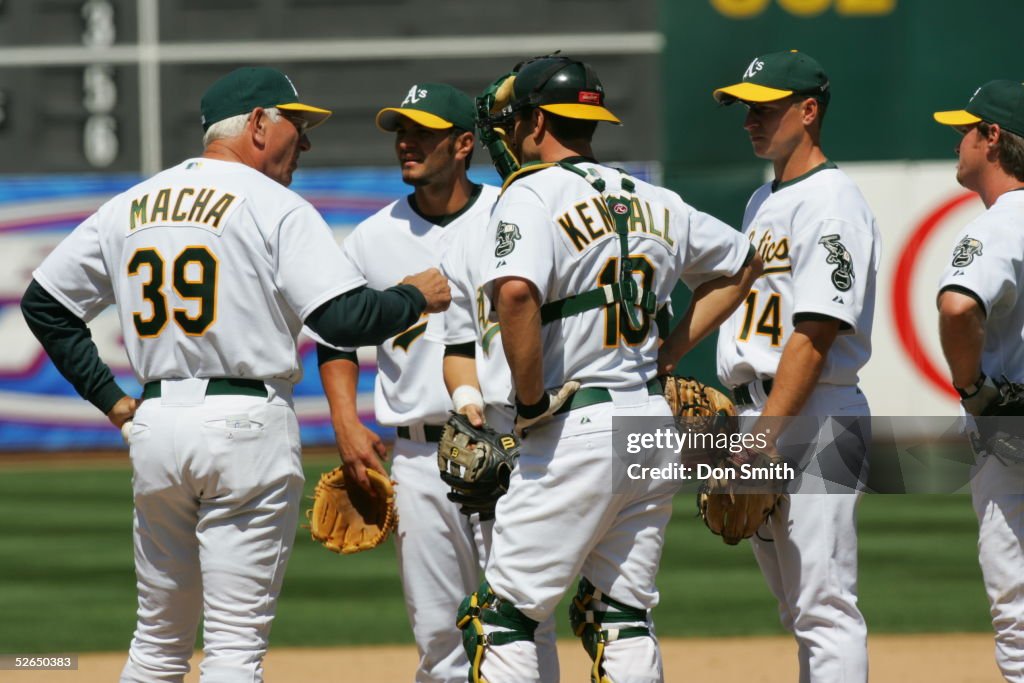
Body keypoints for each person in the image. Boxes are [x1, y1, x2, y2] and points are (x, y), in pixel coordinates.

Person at [20, 66, 450, 683]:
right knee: (233, 650)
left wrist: (114, 403)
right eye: (295, 126)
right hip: (246, 426)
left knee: (157, 644)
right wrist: (413, 296)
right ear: (256, 124)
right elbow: (344, 316)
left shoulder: (132, 204)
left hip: (158, 424)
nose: (305, 143)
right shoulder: (276, 206)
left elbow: (45, 305)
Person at [463, 54, 762, 683]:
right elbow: (742, 265)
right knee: (621, 614)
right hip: (649, 423)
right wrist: (673, 348)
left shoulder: (531, 194)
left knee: (503, 618)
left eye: (515, 120)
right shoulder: (656, 198)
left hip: (575, 428)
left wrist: (528, 400)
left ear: (537, 121)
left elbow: (515, 295)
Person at [315, 82, 560, 683]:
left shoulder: (511, 216)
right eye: (401, 131)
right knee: (436, 636)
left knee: (525, 622)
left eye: (422, 133)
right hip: (420, 457)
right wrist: (347, 424)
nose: (405, 142)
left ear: (464, 144)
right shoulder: (373, 236)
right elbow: (336, 337)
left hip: (510, 443)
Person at [712, 50, 881, 683]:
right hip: (768, 410)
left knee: (825, 604)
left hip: (812, 415)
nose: (751, 120)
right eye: (746, 108)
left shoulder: (833, 202)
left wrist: (764, 434)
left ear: (808, 111)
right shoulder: (764, 198)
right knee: (795, 607)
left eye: (767, 107)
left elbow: (816, 331)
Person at [934, 79, 1024, 683]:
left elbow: (958, 307)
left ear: (992, 138)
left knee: (1017, 615)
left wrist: (973, 390)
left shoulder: (1001, 223)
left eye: (965, 129)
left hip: (1013, 436)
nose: (958, 141)